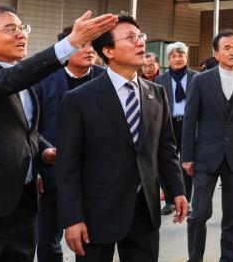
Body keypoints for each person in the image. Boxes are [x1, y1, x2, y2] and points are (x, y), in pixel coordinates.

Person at [0, 5, 116, 261]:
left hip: (23, 204)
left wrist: (44, 151)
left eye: (23, 28)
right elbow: (13, 79)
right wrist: (70, 43)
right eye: (11, 29)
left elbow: (25, 130)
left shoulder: (19, 80)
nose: (21, 34)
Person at [56, 14, 188, 261]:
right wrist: (72, 218)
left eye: (141, 37)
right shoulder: (80, 99)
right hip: (96, 212)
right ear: (108, 50)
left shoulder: (156, 93)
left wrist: (177, 190)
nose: (140, 43)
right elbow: (68, 165)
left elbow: (166, 149)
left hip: (145, 208)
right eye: (131, 38)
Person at [183, 30, 233, 262]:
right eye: (227, 48)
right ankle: (194, 258)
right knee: (198, 214)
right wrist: (186, 156)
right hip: (206, 156)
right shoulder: (201, 80)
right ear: (216, 54)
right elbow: (190, 120)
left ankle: (228, 258)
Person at [34, 26, 104, 262]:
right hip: (52, 172)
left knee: (90, 241)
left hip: (94, 177)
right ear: (65, 51)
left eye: (91, 45)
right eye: (82, 45)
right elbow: (31, 128)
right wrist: (38, 166)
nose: (89, 50)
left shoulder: (105, 79)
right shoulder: (43, 80)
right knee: (47, 239)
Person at [156, 42, 197, 214]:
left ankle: (187, 199)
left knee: (187, 162)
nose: (177, 59)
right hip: (168, 124)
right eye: (174, 56)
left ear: (186, 57)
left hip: (189, 124)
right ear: (169, 59)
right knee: (166, 161)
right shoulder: (161, 80)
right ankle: (170, 200)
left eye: (181, 55)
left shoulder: (196, 77)